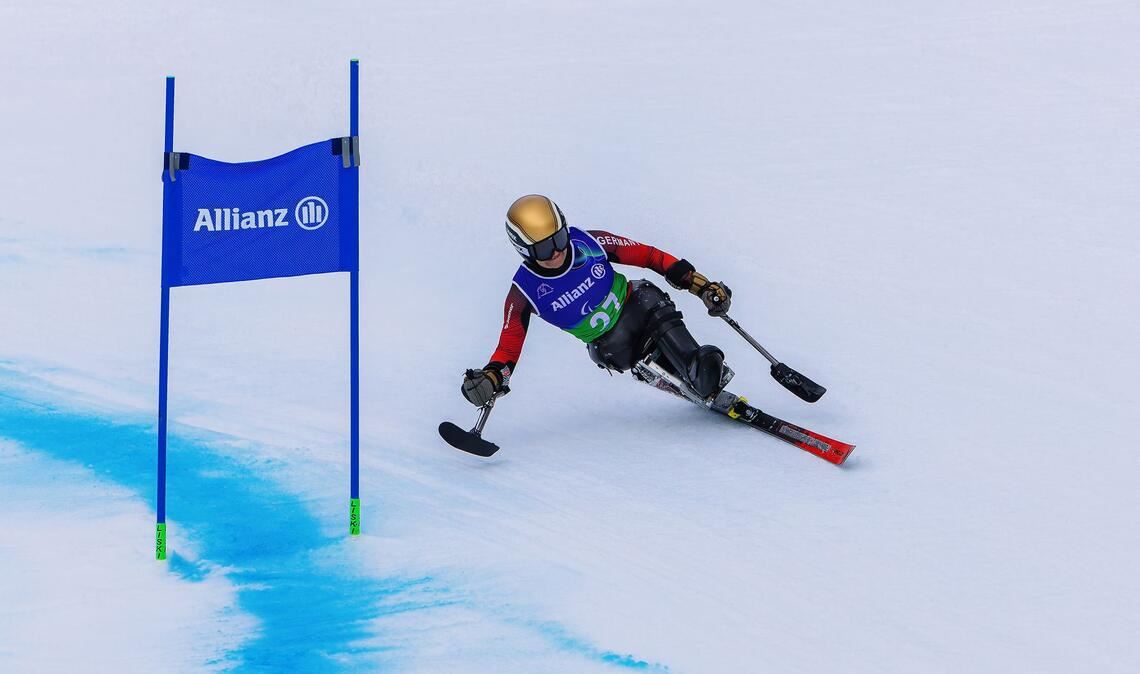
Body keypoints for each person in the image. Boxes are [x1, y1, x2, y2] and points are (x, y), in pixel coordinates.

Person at [461, 194, 733, 408]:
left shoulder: (589, 242)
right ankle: (696, 372)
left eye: (558, 238)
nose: (556, 251)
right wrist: (491, 378)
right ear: (523, 250)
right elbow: (508, 349)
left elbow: (648, 256)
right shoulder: (524, 292)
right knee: (643, 337)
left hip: (643, 306)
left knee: (654, 306)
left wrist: (700, 284)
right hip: (613, 345)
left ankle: (697, 370)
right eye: (543, 248)